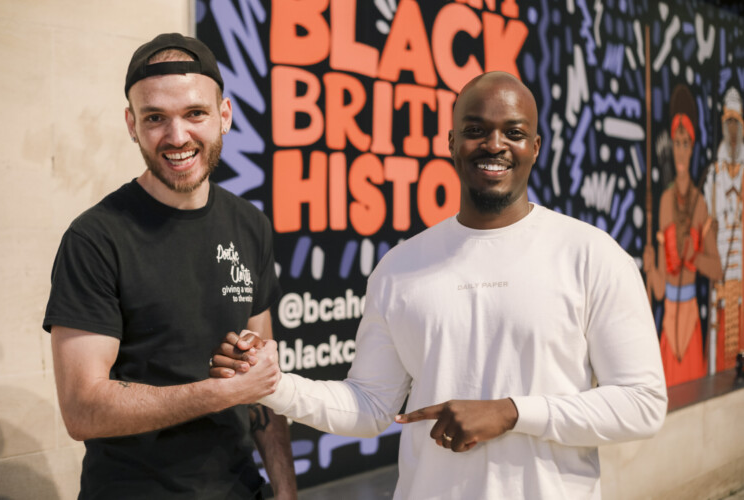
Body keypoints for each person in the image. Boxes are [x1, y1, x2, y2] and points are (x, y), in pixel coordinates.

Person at [213, 71, 668, 499]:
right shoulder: (400, 268)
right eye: (476, 130)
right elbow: (370, 406)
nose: (494, 144)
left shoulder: (591, 255)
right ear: (452, 142)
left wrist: (511, 412)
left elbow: (643, 404)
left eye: (513, 132)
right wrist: (270, 385)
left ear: (534, 146)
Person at [43, 33, 296, 500]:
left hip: (240, 488)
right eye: (155, 117)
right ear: (131, 124)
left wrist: (285, 490)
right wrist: (220, 394)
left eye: (195, 113)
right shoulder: (95, 239)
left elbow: (260, 379)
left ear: (224, 116)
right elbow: (82, 410)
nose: (177, 137)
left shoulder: (250, 225)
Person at [644, 84, 722, 386]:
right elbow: (659, 291)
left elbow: (717, 270)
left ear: (692, 147)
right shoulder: (664, 202)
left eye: (685, 143)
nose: (680, 150)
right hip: (669, 323)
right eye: (676, 143)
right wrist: (651, 267)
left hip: (690, 323)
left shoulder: (700, 204)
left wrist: (696, 257)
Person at [703, 86, 744, 373]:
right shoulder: (714, 175)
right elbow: (708, 226)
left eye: (736, 124)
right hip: (722, 269)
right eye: (728, 123)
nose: (732, 130)